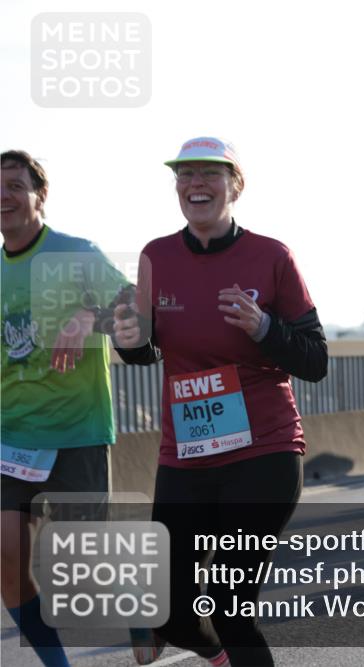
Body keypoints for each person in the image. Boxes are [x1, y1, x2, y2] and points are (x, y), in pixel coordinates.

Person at [113, 137, 328, 667]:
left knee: (230, 604)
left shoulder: (272, 256)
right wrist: (129, 340)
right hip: (186, 454)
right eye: (185, 175)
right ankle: (219, 658)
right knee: (168, 607)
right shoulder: (156, 256)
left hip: (263, 451)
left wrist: (265, 327)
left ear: (236, 186)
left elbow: (315, 359)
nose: (196, 184)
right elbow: (147, 349)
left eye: (210, 173)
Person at [1, 150, 132, 667]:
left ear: (40, 196)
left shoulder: (77, 254)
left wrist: (88, 316)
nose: (4, 197)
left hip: (76, 432)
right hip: (11, 438)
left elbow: (137, 310)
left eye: (15, 186)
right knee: (7, 559)